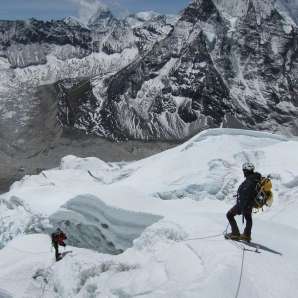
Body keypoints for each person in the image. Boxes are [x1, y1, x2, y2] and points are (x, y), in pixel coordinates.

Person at [226, 162, 262, 242]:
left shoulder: (250, 180)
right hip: (250, 203)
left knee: (229, 214)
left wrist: (241, 206)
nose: (243, 172)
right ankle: (246, 235)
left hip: (244, 204)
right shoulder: (255, 179)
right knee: (248, 218)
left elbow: (246, 193)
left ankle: (235, 234)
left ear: (246, 171)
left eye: (244, 171)